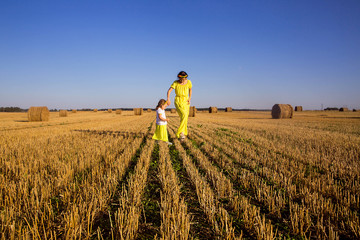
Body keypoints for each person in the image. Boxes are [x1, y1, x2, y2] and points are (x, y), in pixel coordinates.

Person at [167, 71, 192, 140]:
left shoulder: (189, 82)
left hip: (186, 102)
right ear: (179, 77)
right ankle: (180, 132)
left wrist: (189, 98)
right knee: (184, 115)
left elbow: (190, 90)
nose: (182, 81)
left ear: (186, 78)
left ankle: (182, 134)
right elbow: (169, 91)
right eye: (181, 79)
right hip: (178, 101)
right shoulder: (175, 82)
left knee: (184, 118)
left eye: (184, 79)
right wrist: (168, 99)